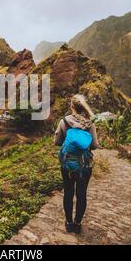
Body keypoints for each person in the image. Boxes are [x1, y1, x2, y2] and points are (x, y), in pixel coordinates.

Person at [54, 94, 99, 234]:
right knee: (81, 193)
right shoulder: (89, 124)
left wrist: (69, 143)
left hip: (67, 164)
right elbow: (95, 145)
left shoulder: (64, 122)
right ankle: (77, 223)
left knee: (68, 192)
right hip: (85, 165)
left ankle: (68, 222)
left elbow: (56, 142)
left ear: (72, 107)